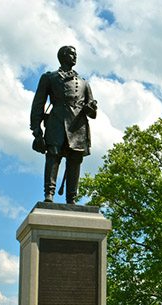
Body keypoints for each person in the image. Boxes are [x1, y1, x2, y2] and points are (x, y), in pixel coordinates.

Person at [30, 46, 97, 204]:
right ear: (63, 56)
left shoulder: (84, 83)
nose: (75, 57)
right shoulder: (49, 77)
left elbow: (93, 113)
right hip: (56, 122)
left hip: (78, 125)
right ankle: (49, 193)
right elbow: (38, 104)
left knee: (75, 160)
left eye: (76, 55)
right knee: (53, 157)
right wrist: (36, 129)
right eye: (72, 54)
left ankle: (71, 198)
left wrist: (90, 108)